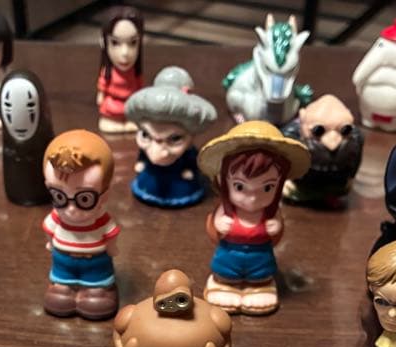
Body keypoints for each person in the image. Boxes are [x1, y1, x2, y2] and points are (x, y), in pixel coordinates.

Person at [197, 121, 310, 315]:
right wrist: (217, 226)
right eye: (240, 186)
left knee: (261, 274)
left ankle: (260, 287)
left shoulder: (271, 214)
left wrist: (276, 228)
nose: (252, 198)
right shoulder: (224, 212)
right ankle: (224, 285)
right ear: (224, 181)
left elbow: (275, 239)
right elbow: (213, 234)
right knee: (226, 272)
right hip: (229, 255)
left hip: (260, 257)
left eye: (267, 188)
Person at [41, 129, 121, 320]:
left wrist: (111, 248)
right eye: (59, 196)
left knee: (97, 296)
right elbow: (48, 228)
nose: (71, 209)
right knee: (60, 292)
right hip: (63, 259)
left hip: (95, 260)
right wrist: (50, 243)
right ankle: (63, 287)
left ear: (104, 194)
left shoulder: (101, 220)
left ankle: (97, 290)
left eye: (84, 198)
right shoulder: (57, 217)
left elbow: (111, 234)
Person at [123, 66, 216, 208]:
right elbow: (143, 154)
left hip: (178, 181)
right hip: (150, 177)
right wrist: (141, 162)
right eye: (146, 135)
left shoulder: (187, 152)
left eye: (174, 139)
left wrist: (190, 169)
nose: (158, 152)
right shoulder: (147, 151)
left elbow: (192, 159)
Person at [96, 7, 144, 133]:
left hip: (131, 103)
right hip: (113, 103)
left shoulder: (135, 72)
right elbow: (103, 85)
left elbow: (139, 85)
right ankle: (113, 121)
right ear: (104, 42)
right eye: (115, 43)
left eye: (133, 43)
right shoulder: (107, 72)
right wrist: (101, 95)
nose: (125, 53)